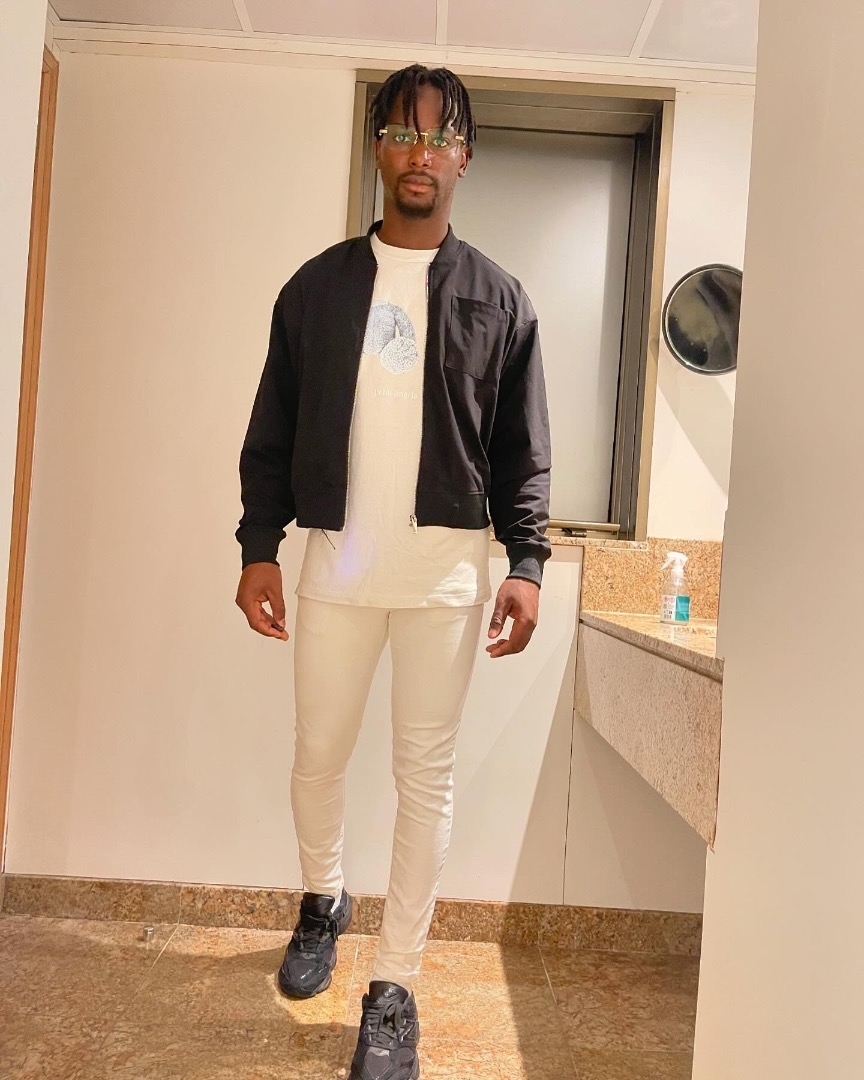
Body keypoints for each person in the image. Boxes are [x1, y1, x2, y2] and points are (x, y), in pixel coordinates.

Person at [235, 64, 551, 1080]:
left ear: (465, 157)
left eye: (441, 137)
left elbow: (523, 450)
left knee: (425, 781)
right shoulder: (316, 289)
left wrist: (527, 559)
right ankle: (323, 900)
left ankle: (395, 986)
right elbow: (273, 428)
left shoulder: (500, 300)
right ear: (379, 146)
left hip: (443, 583)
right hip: (334, 566)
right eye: (405, 134)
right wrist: (257, 545)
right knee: (317, 757)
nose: (422, 154)